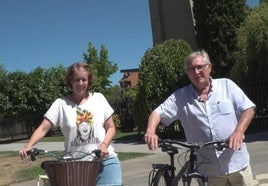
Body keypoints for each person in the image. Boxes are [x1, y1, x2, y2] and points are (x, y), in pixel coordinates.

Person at [144, 50, 256, 186]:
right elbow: (157, 113)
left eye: (199, 67)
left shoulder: (227, 85)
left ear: (209, 67)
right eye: (191, 69)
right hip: (208, 172)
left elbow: (248, 109)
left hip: (237, 164)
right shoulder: (180, 97)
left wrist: (238, 132)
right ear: (187, 73)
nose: (196, 72)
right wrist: (150, 131)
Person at [19, 62, 122, 186]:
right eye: (76, 79)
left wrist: (104, 145)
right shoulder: (60, 104)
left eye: (84, 79)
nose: (80, 83)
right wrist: (28, 145)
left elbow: (111, 127)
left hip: (104, 162)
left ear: (89, 81)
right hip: (75, 167)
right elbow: (43, 128)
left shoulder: (99, 99)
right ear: (70, 81)